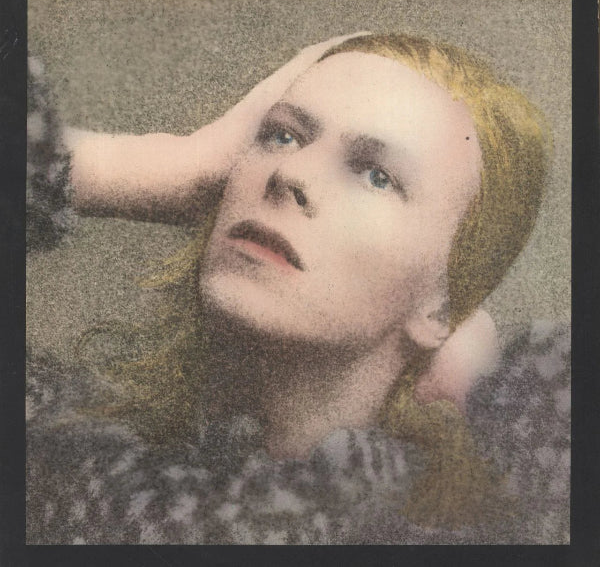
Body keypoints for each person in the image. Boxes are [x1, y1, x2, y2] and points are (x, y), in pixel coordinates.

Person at [26, 33, 570, 544]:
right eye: (281, 135)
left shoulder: (468, 536)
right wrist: (158, 165)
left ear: (444, 306)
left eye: (375, 175)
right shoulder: (59, 451)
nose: (291, 174)